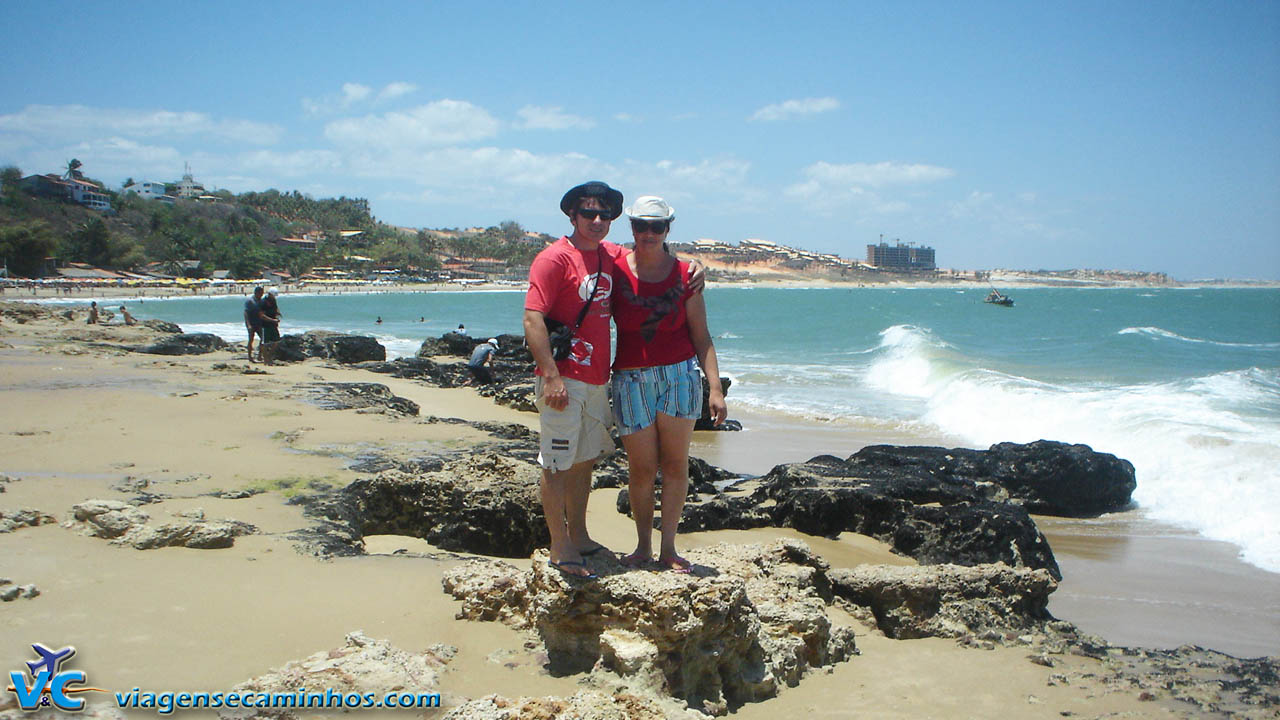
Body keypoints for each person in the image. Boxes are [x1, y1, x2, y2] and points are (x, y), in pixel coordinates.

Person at [611, 196, 726, 573]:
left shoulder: (685, 276)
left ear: (667, 230)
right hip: (629, 379)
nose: (647, 233)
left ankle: (670, 548)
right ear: (630, 228)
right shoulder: (614, 271)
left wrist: (715, 389)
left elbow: (702, 336)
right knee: (641, 469)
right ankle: (643, 547)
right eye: (640, 225)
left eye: (656, 226)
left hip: (679, 377)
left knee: (676, 466)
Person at [523, 181, 631, 579]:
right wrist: (551, 377)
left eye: (605, 214)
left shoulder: (610, 255)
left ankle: (581, 534)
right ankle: (559, 543)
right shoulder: (553, 259)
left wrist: (692, 267)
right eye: (589, 213)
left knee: (585, 459)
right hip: (563, 380)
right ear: (573, 216)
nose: (598, 220)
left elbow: (651, 260)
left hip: (597, 379)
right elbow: (533, 318)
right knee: (557, 463)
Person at [258, 287, 282, 365]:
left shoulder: (273, 301)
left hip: (273, 325)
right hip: (265, 325)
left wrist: (278, 314)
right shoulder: (263, 302)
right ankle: (266, 360)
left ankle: (270, 356)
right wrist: (272, 320)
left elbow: (276, 308)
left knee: (276, 342)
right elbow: (261, 315)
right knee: (265, 343)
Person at [243, 287, 264, 361]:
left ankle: (260, 355)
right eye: (260, 293)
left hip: (259, 323)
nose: (261, 294)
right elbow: (246, 313)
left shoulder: (261, 301)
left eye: (262, 293)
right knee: (251, 339)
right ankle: (249, 356)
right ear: (256, 293)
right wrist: (248, 324)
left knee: (263, 339)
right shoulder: (250, 301)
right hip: (251, 323)